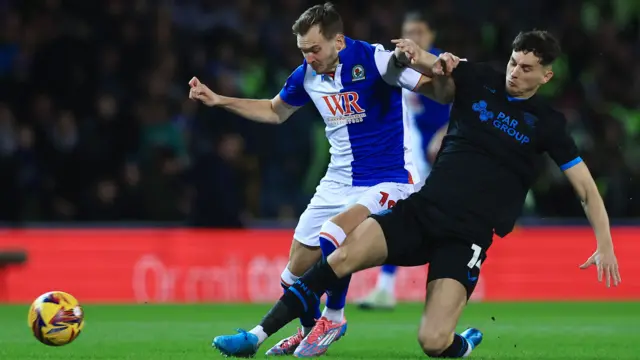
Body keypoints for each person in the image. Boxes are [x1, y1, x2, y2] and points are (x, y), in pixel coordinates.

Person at [211, 30, 622, 358]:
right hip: (424, 210)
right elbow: (433, 65)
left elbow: (586, 188)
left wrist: (604, 244)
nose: (515, 72)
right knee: (339, 254)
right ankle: (258, 335)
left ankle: (462, 344)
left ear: (546, 75)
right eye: (514, 62)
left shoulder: (549, 124)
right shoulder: (480, 78)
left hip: (467, 236)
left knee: (432, 341)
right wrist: (413, 52)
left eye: (528, 68)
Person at [190, 2, 441, 357]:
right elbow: (275, 111)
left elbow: (432, 86)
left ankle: (334, 316)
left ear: (338, 41)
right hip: (337, 181)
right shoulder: (306, 74)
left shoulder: (375, 59)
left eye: (314, 49)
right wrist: (219, 100)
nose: (308, 58)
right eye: (302, 51)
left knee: (333, 234)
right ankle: (308, 331)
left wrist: (420, 60)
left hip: (388, 179)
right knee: (292, 276)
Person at [356, 10, 451, 311]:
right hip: (409, 154)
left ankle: (445, 283)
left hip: (437, 154)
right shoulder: (397, 63)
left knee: (413, 218)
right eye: (409, 31)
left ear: (431, 36)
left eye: (420, 32)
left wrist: (445, 132)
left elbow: (466, 103)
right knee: (400, 215)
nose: (414, 38)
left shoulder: (441, 64)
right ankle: (386, 288)